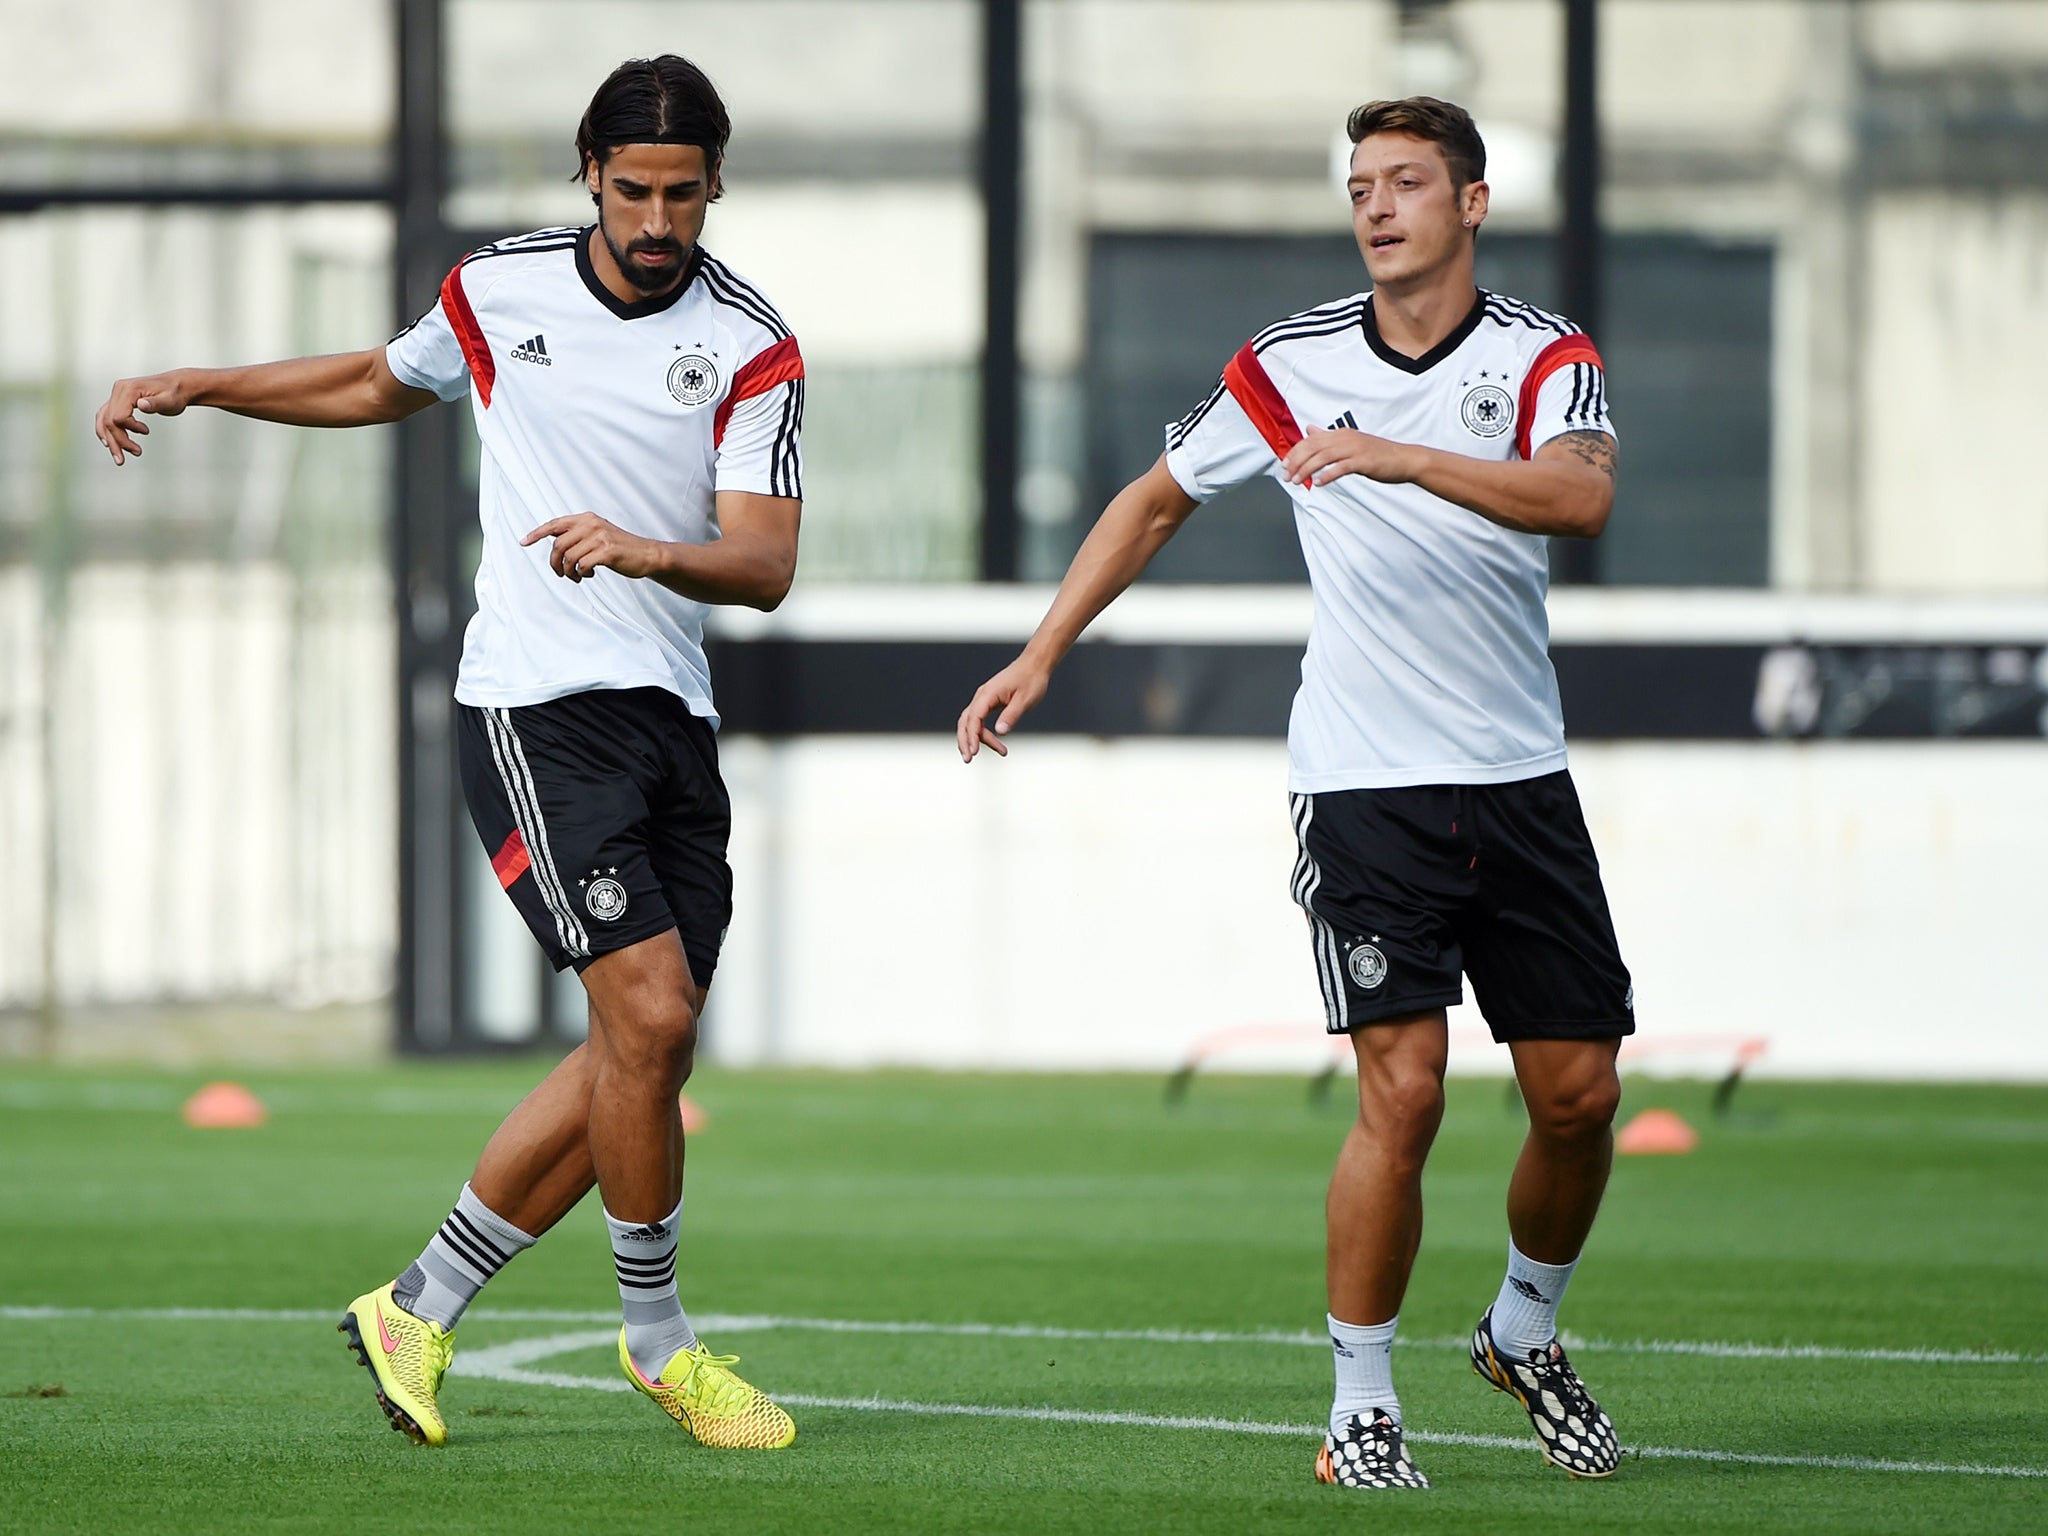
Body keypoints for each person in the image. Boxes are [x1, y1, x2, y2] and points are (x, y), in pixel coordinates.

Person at [93, 55, 802, 1452]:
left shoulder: (753, 341)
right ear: (590, 176)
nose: (658, 220)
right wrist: (200, 382)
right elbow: (374, 377)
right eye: (633, 190)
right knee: (650, 1024)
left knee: (637, 1052)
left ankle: (417, 1304)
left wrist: (649, 548)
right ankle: (659, 1340)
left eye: (683, 195)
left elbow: (764, 562)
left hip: (672, 718)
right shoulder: (498, 288)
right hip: (533, 708)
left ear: (716, 185)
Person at [956, 96, 1632, 1490]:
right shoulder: (1288, 362)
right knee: (1409, 1088)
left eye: (1407, 182)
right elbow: (1152, 501)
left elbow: (1578, 501)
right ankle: (1361, 1407)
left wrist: (1401, 455)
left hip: (1518, 778)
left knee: (1578, 1098)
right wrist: (1039, 652)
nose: (1377, 206)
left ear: (1473, 204)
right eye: (1360, 184)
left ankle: (1523, 1329)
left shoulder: (1545, 358)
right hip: (1363, 784)